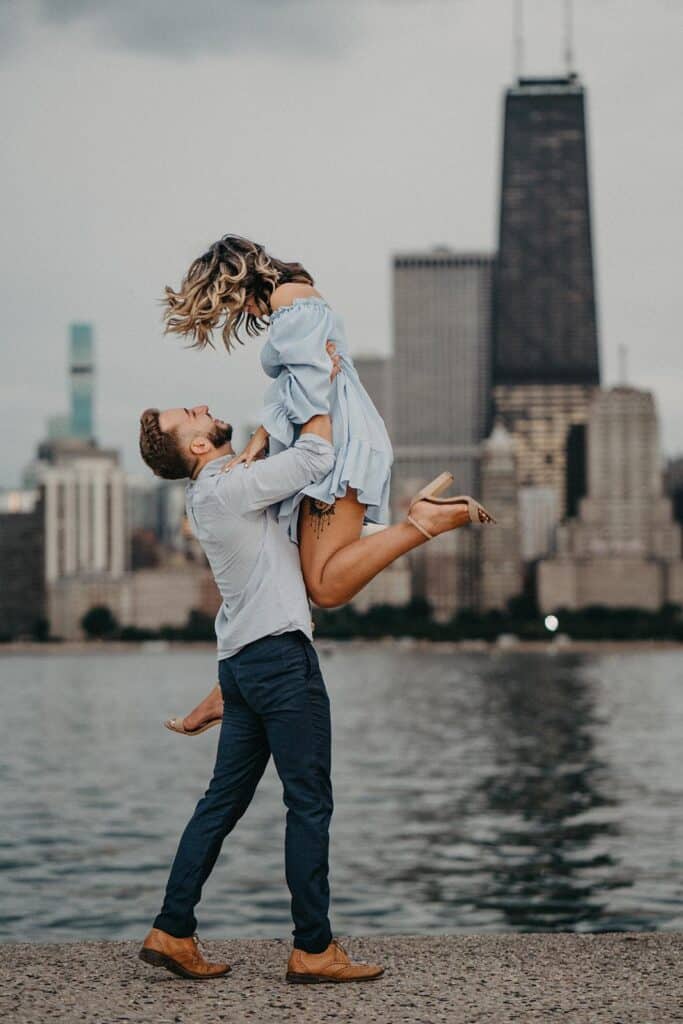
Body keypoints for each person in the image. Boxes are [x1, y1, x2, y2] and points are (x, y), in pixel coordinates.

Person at [137, 403, 492, 982]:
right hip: (280, 661)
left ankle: (172, 928)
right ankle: (313, 948)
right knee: (308, 803)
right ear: (197, 447)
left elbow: (298, 531)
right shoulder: (230, 489)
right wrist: (316, 393)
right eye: (191, 416)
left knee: (220, 804)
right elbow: (316, 456)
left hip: (243, 666)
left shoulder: (215, 492)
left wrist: (258, 440)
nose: (203, 407)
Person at [161, 234, 495, 738]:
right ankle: (226, 689)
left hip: (333, 448)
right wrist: (260, 439)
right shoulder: (294, 296)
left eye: (230, 301)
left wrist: (271, 438)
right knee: (274, 570)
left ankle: (420, 523)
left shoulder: (287, 300)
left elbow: (314, 380)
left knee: (323, 586)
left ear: (236, 277)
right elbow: (303, 377)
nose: (240, 313)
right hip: (333, 439)